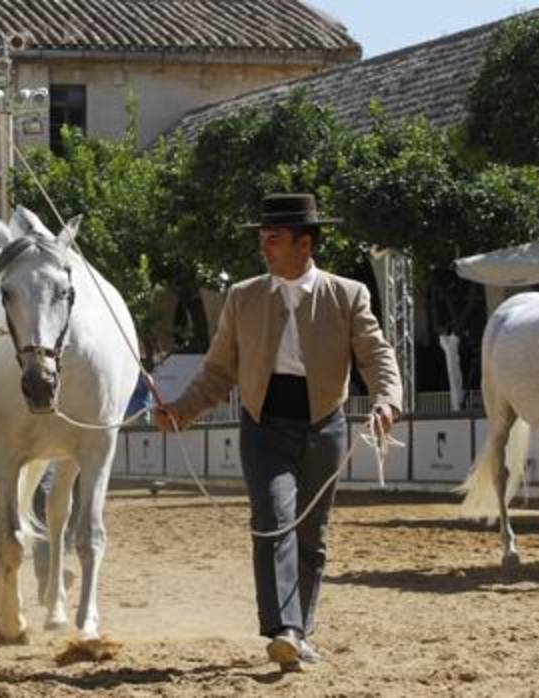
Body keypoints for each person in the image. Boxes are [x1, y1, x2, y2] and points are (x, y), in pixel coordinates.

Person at [155, 194, 402, 672]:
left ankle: (300, 634)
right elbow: (218, 372)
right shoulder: (243, 296)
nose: (263, 247)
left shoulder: (348, 295)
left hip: (324, 426)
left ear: (304, 243)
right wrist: (180, 412)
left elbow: (377, 354)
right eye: (262, 238)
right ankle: (283, 630)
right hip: (263, 427)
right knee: (273, 519)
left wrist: (387, 398)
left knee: (313, 534)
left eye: (273, 238)